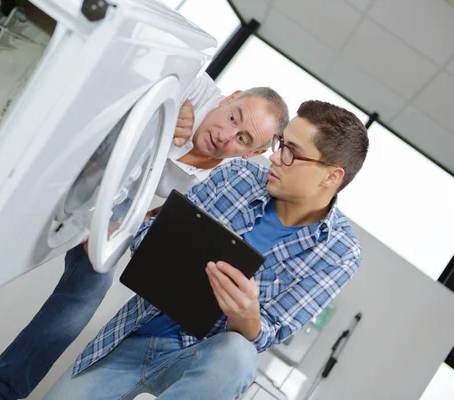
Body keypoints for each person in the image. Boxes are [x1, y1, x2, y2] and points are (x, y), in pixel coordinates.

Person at [0, 73, 289, 399]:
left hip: (107, 212)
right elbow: (132, 66)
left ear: (249, 154)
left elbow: (163, 217)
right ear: (228, 97)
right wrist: (170, 102)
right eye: (233, 117)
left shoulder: (223, 180)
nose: (225, 135)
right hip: (67, 162)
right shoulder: (192, 83)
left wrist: (117, 221)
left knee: (90, 288)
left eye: (243, 139)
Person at [42, 100, 369, 400]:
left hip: (205, 365)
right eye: (280, 143)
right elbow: (145, 240)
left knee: (238, 354)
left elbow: (266, 335)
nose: (274, 156)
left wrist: (246, 314)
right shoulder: (237, 175)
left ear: (331, 176)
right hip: (134, 334)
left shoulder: (339, 253)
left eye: (291, 152)